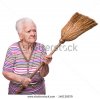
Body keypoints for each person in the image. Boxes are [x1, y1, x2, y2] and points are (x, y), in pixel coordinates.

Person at [2, 18, 52, 94]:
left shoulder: (41, 48)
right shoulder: (13, 49)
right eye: (29, 31)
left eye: (34, 30)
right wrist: (21, 79)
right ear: (20, 35)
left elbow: (44, 74)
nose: (33, 34)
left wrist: (45, 64)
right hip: (17, 93)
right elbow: (6, 72)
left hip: (38, 92)